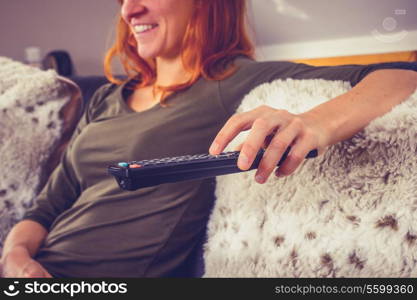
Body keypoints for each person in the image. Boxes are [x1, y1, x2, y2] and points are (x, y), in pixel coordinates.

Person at [1, 0, 416, 278]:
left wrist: (317, 123)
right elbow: (49, 204)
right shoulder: (106, 98)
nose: (130, 9)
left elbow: (401, 73)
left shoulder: (231, 82)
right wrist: (16, 257)